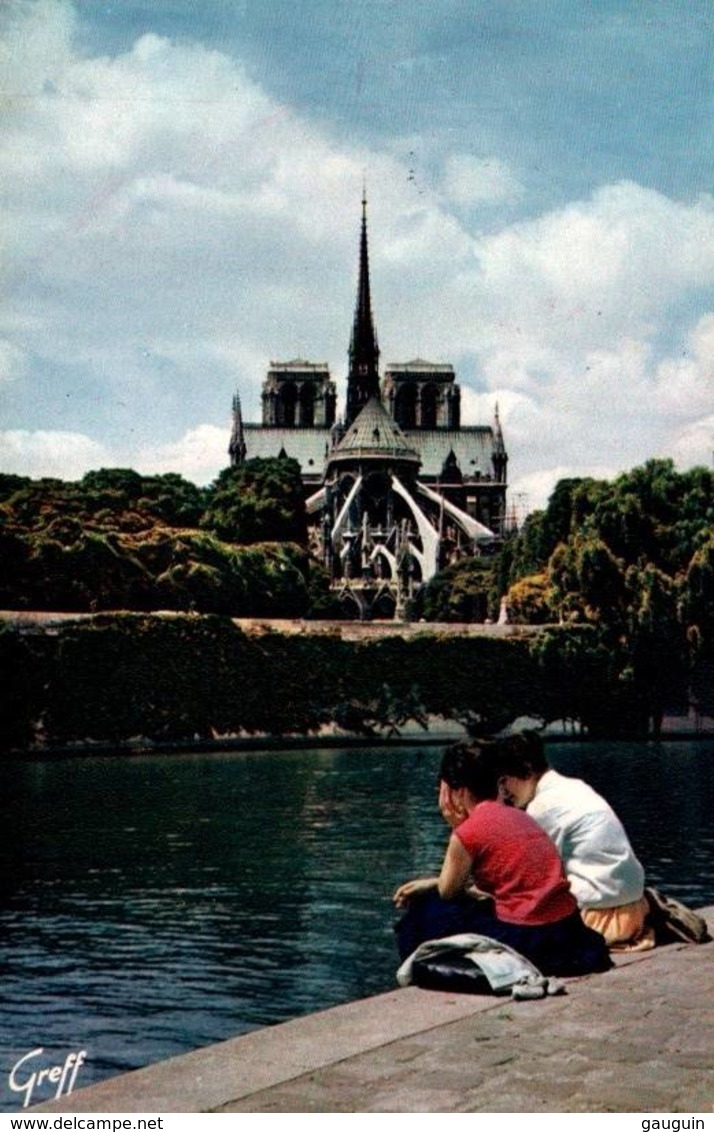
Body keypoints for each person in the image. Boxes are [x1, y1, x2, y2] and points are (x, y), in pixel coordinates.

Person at [393, 741, 611, 977]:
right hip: (566, 926)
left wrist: (456, 827)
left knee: (424, 911)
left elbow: (448, 892)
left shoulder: (468, 831)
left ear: (459, 792)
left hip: (529, 934)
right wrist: (432, 881)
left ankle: (419, 975)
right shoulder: (521, 816)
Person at [494, 731, 655, 952]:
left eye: (504, 781)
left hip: (598, 917)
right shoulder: (574, 786)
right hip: (634, 907)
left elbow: (529, 878)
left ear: (526, 771)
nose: (504, 792)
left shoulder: (541, 807)